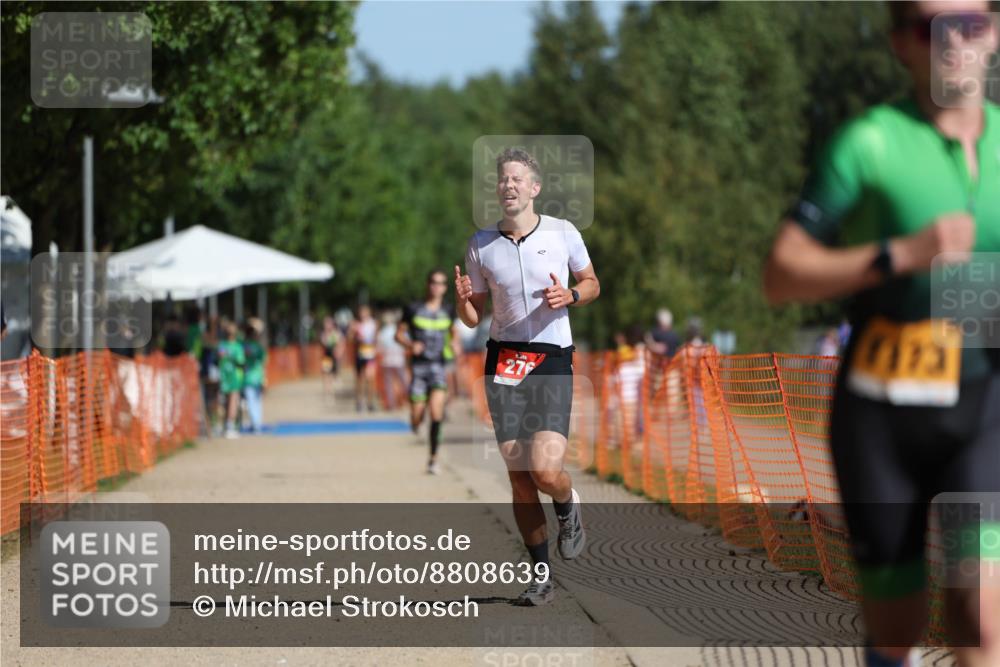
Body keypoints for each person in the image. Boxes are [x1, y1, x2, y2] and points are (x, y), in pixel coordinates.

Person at [763, 3, 999, 665]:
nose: (955, 42)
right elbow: (781, 273)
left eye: (972, 23)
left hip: (982, 409)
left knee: (979, 616)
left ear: (996, 34)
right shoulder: (870, 141)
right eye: (932, 27)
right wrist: (900, 254)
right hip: (881, 419)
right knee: (898, 629)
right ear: (902, 43)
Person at [455, 147, 600, 606]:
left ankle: (567, 501)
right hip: (503, 360)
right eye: (502, 179)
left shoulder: (562, 232)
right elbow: (472, 319)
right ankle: (540, 575)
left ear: (534, 188)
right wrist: (462, 301)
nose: (508, 185)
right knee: (519, 475)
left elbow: (593, 283)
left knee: (544, 469)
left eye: (517, 178)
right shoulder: (481, 243)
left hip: (552, 357)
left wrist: (571, 296)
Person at [396, 270, 460, 474]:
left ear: (445, 288)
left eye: (441, 283)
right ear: (428, 284)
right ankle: (415, 420)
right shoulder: (413, 308)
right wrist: (410, 344)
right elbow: (398, 334)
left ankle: (433, 459)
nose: (436, 286)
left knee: (436, 411)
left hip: (439, 366)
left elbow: (454, 332)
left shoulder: (449, 310)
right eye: (433, 282)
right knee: (417, 415)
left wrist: (456, 344)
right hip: (419, 368)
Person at [217, 320, 246, 439]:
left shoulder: (221, 346)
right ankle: (229, 426)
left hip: (223, 376)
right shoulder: (237, 347)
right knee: (233, 402)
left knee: (223, 402)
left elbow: (219, 357)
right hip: (234, 377)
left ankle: (221, 425)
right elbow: (241, 361)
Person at [349, 305, 379, 412]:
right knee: (359, 379)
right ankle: (359, 402)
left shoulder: (373, 324)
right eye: (361, 312)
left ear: (369, 313)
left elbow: (376, 338)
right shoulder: (356, 324)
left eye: (365, 312)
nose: (363, 314)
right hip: (360, 354)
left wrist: (376, 348)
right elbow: (350, 339)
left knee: (370, 378)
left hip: (370, 354)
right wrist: (354, 333)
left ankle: (370, 402)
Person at [377, 311, 407, 410]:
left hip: (387, 360)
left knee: (389, 383)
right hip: (398, 360)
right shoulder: (399, 331)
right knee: (402, 381)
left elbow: (379, 348)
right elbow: (406, 344)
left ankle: (391, 404)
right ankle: (405, 401)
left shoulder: (382, 332)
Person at [242, 318, 267, 434]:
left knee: (251, 401)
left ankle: (255, 424)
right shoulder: (258, 347)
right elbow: (264, 362)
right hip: (258, 377)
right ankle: (257, 424)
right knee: (257, 401)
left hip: (248, 377)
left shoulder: (244, 346)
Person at [319, 316, 342, 401]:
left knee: (331, 376)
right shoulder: (323, 334)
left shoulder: (336, 333)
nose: (327, 325)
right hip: (326, 358)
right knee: (326, 375)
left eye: (328, 323)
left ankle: (331, 393)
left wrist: (338, 351)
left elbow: (339, 344)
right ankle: (327, 393)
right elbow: (324, 343)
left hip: (334, 357)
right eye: (326, 323)